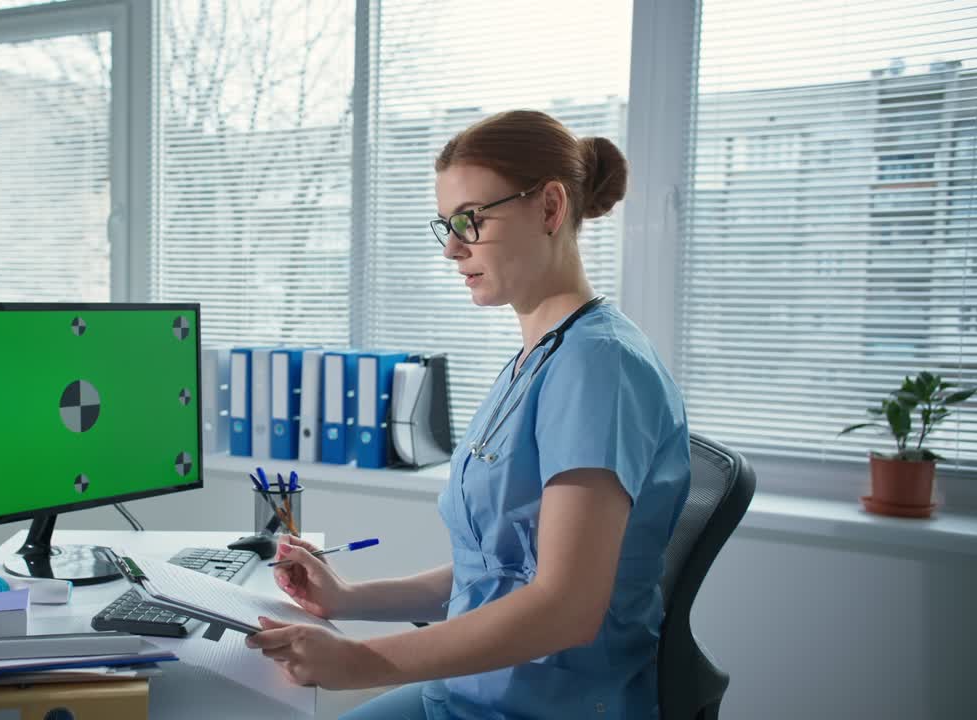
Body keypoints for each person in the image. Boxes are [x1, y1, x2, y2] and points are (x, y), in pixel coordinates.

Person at [245, 109, 691, 720]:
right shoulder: (538, 357)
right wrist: (347, 600)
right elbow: (501, 570)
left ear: (551, 208)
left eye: (471, 221)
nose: (453, 248)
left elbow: (566, 605)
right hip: (473, 692)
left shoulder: (599, 367)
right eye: (446, 225)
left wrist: (364, 662)